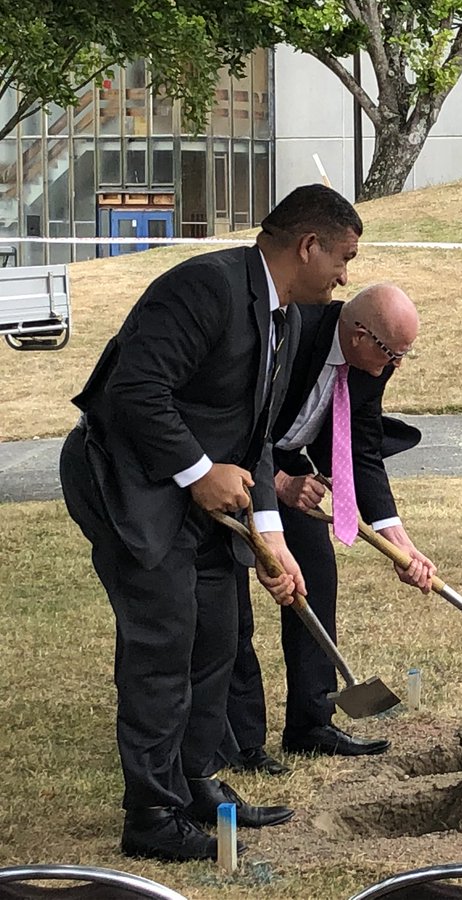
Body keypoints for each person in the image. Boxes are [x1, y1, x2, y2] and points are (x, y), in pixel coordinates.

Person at [58, 184, 363, 862]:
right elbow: (136, 390)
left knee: (216, 635)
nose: (346, 275)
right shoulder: (206, 288)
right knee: (163, 642)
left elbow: (251, 436)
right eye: (342, 257)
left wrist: (272, 543)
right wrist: (199, 472)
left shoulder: (283, 316)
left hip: (194, 492)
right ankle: (151, 816)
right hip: (125, 483)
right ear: (307, 246)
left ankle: (195, 782)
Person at [225, 284, 436, 773]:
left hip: (288, 466)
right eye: (393, 353)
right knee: (230, 607)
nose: (397, 365)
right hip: (230, 467)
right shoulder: (292, 332)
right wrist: (277, 483)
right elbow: (239, 420)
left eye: (405, 354)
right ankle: (240, 743)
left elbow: (360, 449)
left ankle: (310, 724)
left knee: (315, 579)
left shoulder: (370, 363)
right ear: (360, 334)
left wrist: (398, 543)